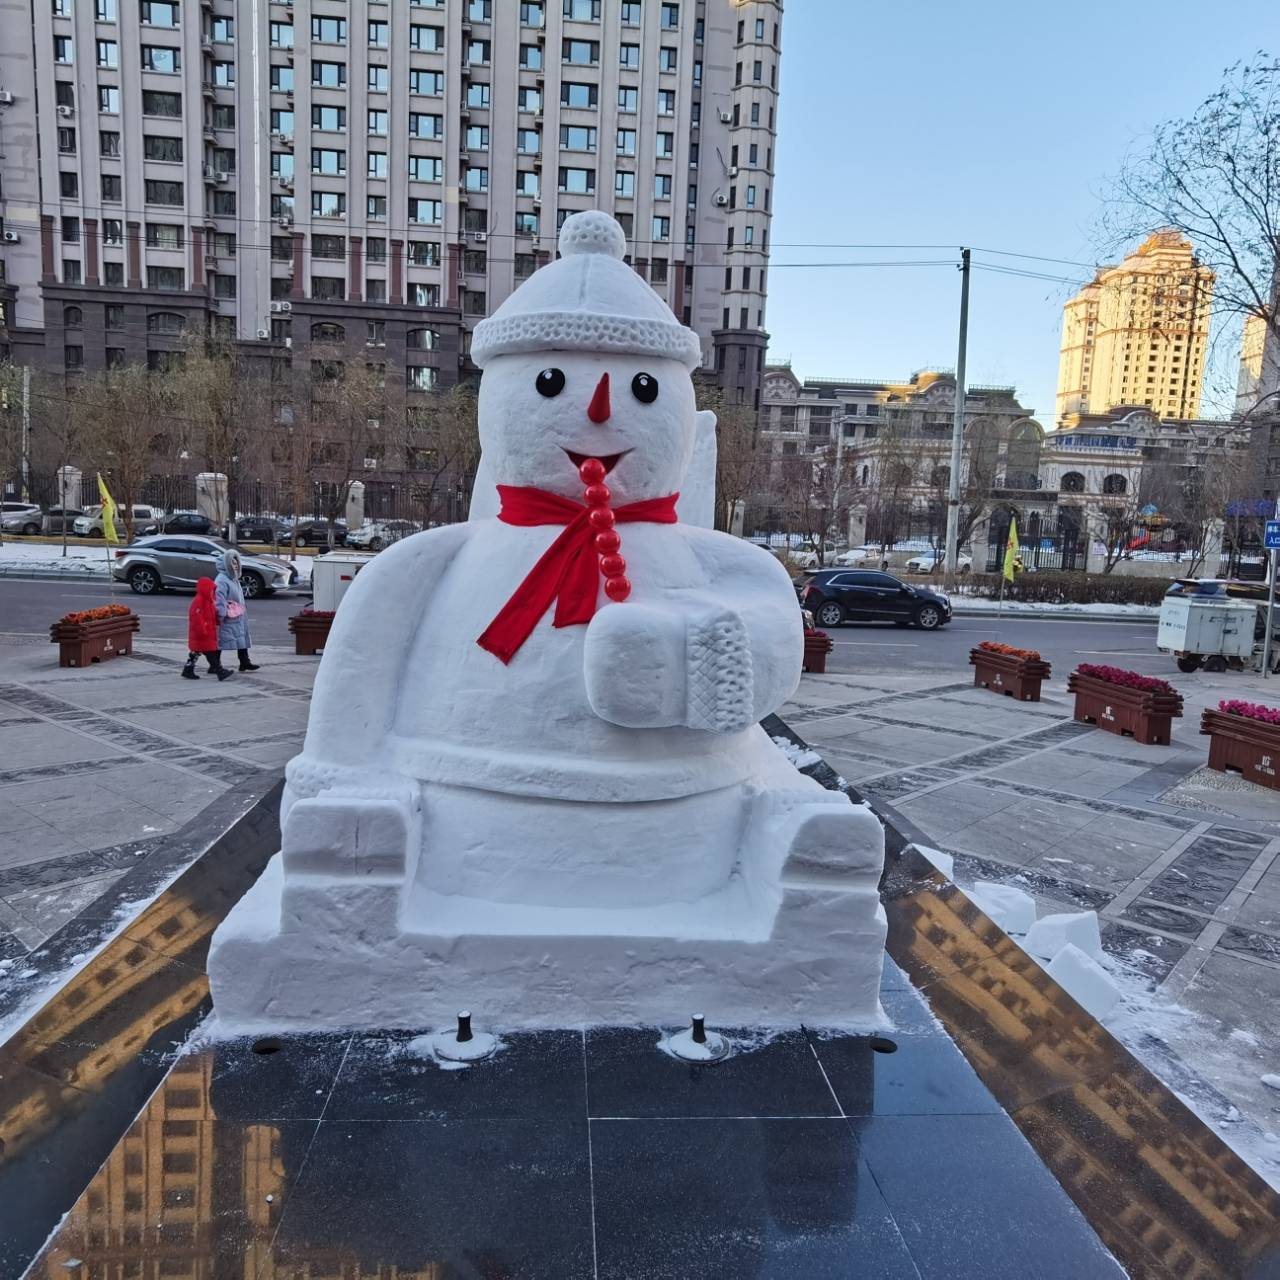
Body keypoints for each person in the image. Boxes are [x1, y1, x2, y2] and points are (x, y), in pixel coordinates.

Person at [215, 549, 260, 672]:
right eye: (233, 563)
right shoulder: (222, 580)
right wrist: (221, 614)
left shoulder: (233, 579)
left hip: (238, 616)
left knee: (242, 638)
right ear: (226, 564)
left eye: (236, 563)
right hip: (228, 617)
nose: (235, 566)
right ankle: (215, 664)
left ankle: (245, 662)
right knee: (222, 640)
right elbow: (219, 599)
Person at [183, 576, 231, 681]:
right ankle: (220, 671)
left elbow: (212, 616)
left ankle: (188, 669)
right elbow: (196, 617)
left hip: (206, 632)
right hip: (203, 633)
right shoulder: (199, 601)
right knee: (210, 653)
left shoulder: (208, 601)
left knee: (196, 652)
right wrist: (202, 629)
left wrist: (218, 619)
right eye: (211, 589)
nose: (213, 591)